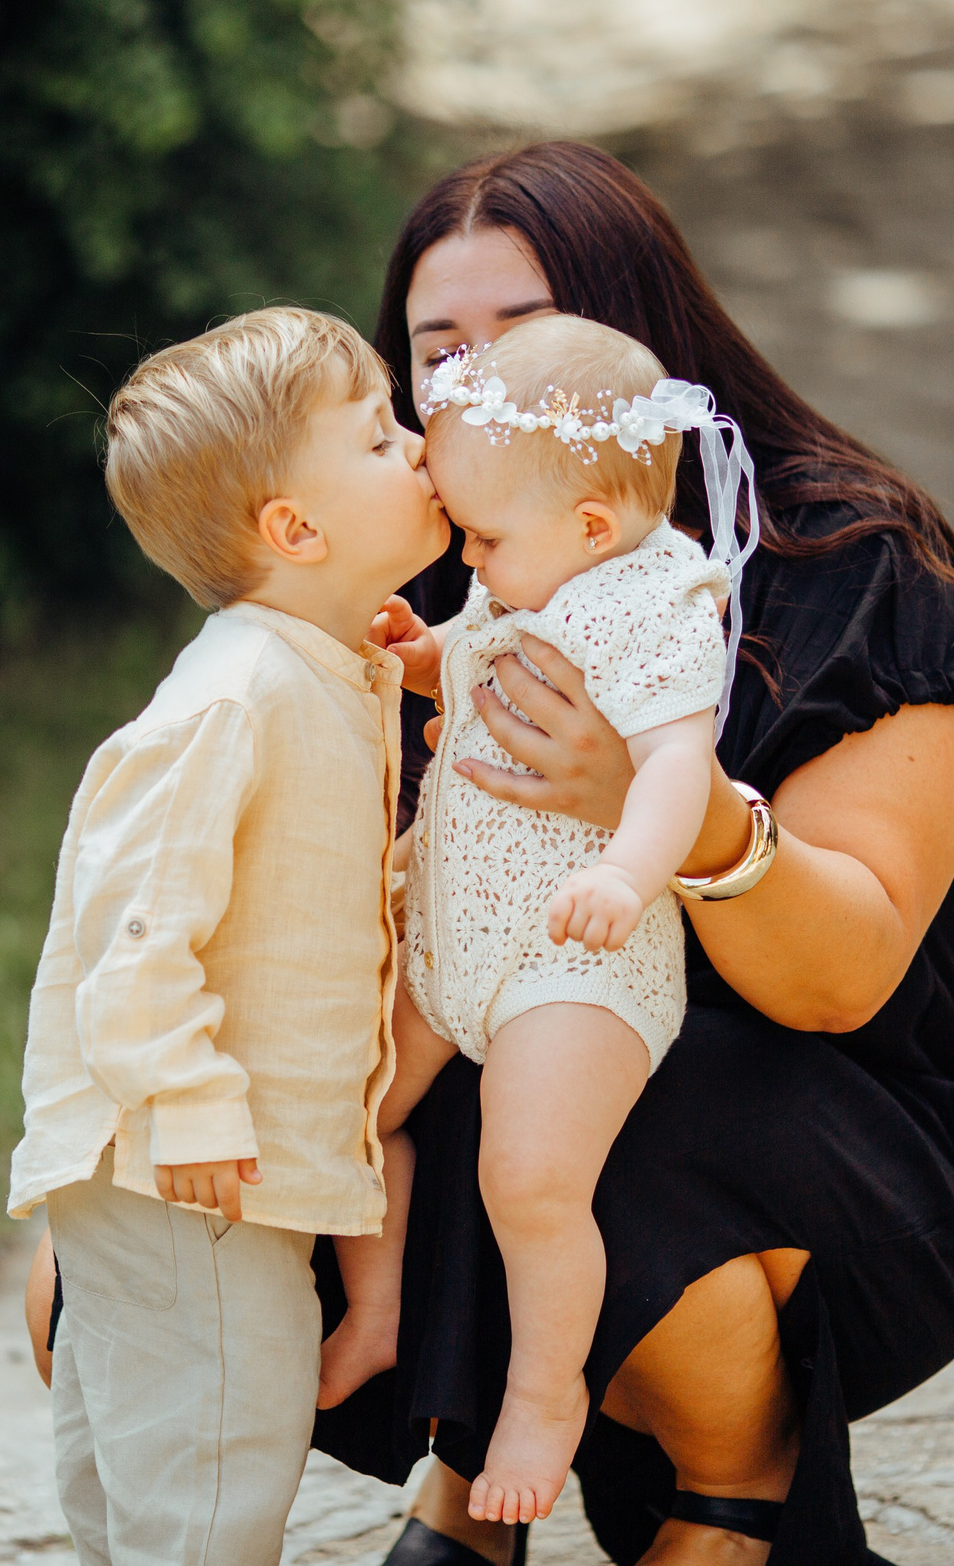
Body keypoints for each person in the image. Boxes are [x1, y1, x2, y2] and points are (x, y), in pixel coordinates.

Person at [310, 140, 954, 1566]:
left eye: (517, 333)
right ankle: (468, 1457)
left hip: (850, 1153)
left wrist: (662, 804)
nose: (469, 381)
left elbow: (846, 977)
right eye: (434, 348)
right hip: (540, 1060)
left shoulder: (849, 561)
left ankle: (738, 1481)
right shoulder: (449, 577)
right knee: (206, 1184)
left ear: (631, 335)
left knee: (604, 1077)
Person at [7, 305, 452, 1566]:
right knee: (214, 1478)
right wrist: (191, 1100)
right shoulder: (236, 695)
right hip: (195, 1171)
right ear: (294, 529)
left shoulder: (327, 665)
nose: (418, 446)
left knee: (145, 1474)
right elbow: (134, 922)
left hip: (213, 1172)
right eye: (379, 437)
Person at [317, 314, 754, 1526]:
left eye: (482, 535)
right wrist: (425, 655)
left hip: (576, 962)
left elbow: (676, 766)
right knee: (356, 1114)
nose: (464, 551)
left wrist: (627, 870)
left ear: (593, 528)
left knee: (529, 1176)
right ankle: (379, 1307)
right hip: (461, 939)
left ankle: (541, 1389)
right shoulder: (531, 572)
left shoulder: (654, 604)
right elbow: (486, 648)